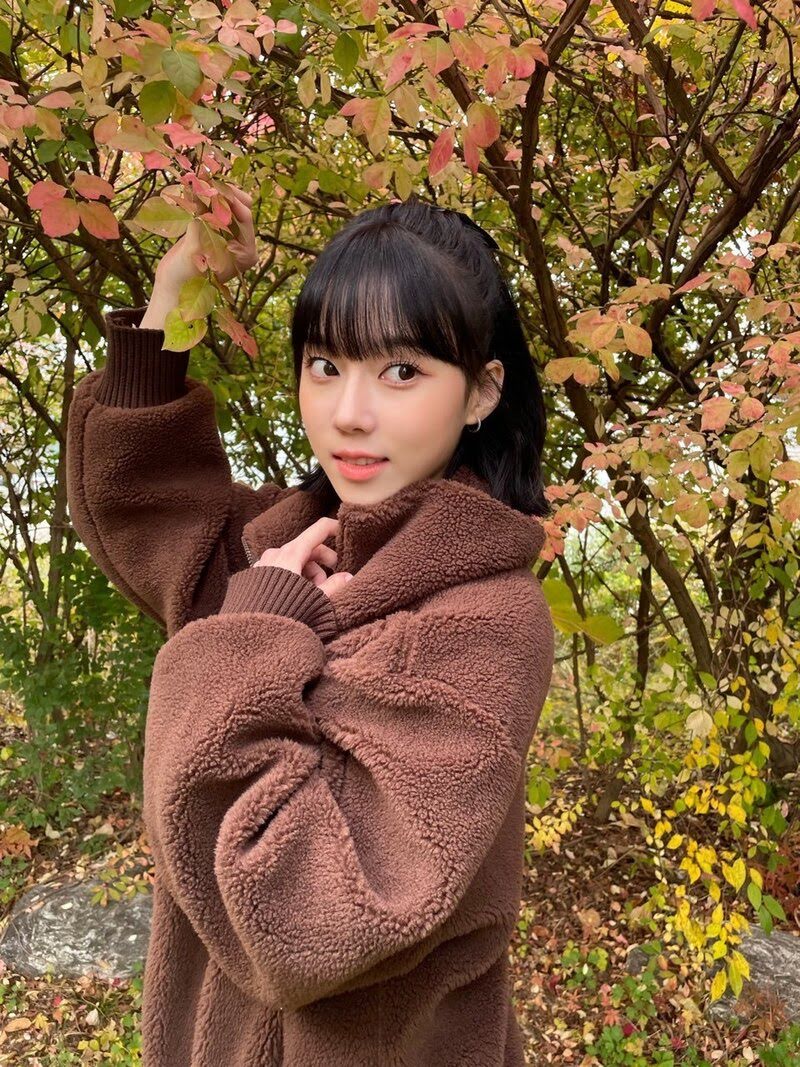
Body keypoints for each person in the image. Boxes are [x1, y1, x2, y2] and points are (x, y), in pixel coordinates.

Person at [65, 190, 555, 1066]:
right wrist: (175, 297)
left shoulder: (485, 620)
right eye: (325, 364)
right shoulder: (290, 544)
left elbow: (308, 918)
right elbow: (142, 503)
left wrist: (256, 622)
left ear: (482, 391)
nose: (349, 411)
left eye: (401, 371)